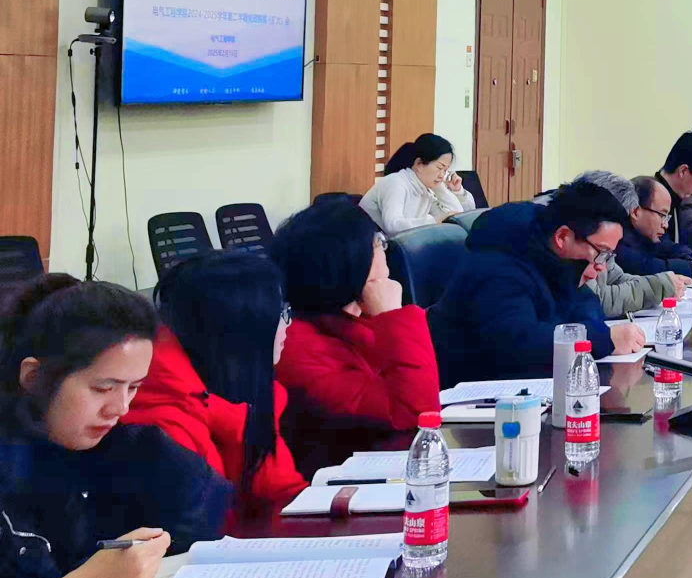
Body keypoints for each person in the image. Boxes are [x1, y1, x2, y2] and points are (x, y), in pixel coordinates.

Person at [0, 276, 231, 578]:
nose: (120, 407)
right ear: (33, 377)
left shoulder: (135, 448)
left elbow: (213, 518)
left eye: (133, 387)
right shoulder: (12, 466)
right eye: (102, 388)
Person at [126, 252, 307, 513]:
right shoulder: (164, 417)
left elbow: (279, 491)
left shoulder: (235, 390)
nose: (287, 325)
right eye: (278, 313)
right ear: (238, 329)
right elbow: (204, 523)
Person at [270, 201, 440, 472]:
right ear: (351, 262)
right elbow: (415, 414)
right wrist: (393, 316)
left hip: (380, 470)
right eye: (377, 243)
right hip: (335, 487)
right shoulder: (299, 347)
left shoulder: (352, 320)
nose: (384, 250)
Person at [427, 178, 647, 387]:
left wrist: (595, 334)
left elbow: (586, 303)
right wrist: (601, 339)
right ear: (563, 237)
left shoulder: (557, 257)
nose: (602, 267)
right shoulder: (498, 266)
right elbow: (518, 345)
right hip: (469, 394)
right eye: (601, 253)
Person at [566, 172, 687, 316]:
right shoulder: (576, 241)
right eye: (662, 215)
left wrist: (663, 284)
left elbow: (616, 278)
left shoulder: (608, 237)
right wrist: (660, 285)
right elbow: (596, 301)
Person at [359, 132, 472, 236]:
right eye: (439, 168)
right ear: (419, 164)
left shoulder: (426, 189)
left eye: (446, 170)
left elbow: (456, 216)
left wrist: (440, 188)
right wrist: (434, 221)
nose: (442, 175)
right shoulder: (396, 182)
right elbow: (393, 226)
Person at [623, 177, 692, 276]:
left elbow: (666, 246)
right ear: (635, 212)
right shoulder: (618, 241)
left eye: (667, 217)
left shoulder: (646, 235)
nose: (665, 225)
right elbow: (649, 267)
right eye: (662, 215)